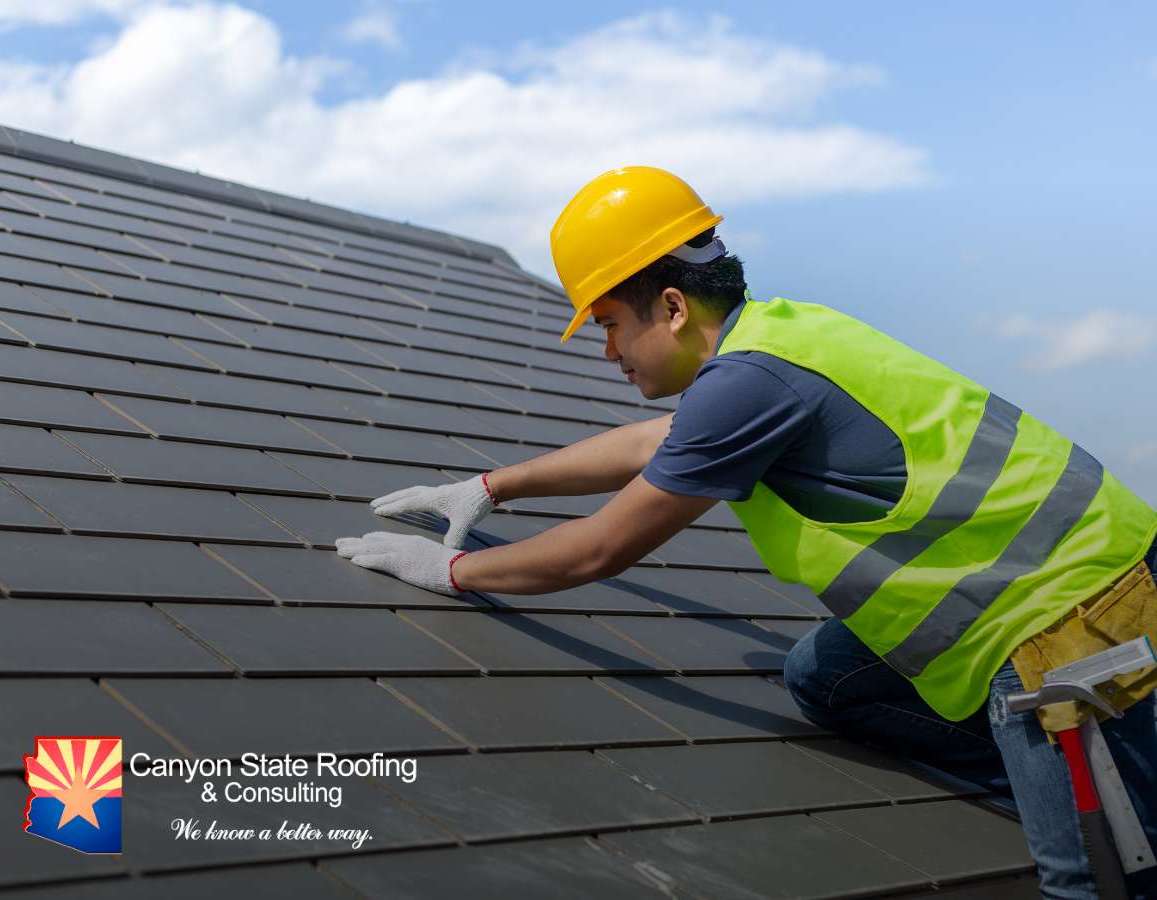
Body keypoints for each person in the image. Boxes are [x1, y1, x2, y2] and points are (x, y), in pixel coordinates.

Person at [336, 166, 1157, 898]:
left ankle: (1123, 794)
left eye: (611, 324)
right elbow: (647, 446)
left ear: (669, 303)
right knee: (824, 679)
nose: (609, 351)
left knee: (1087, 877)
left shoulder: (750, 381)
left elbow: (600, 549)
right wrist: (488, 487)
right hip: (1050, 588)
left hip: (1074, 625)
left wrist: (449, 575)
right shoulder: (774, 339)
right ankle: (1114, 777)